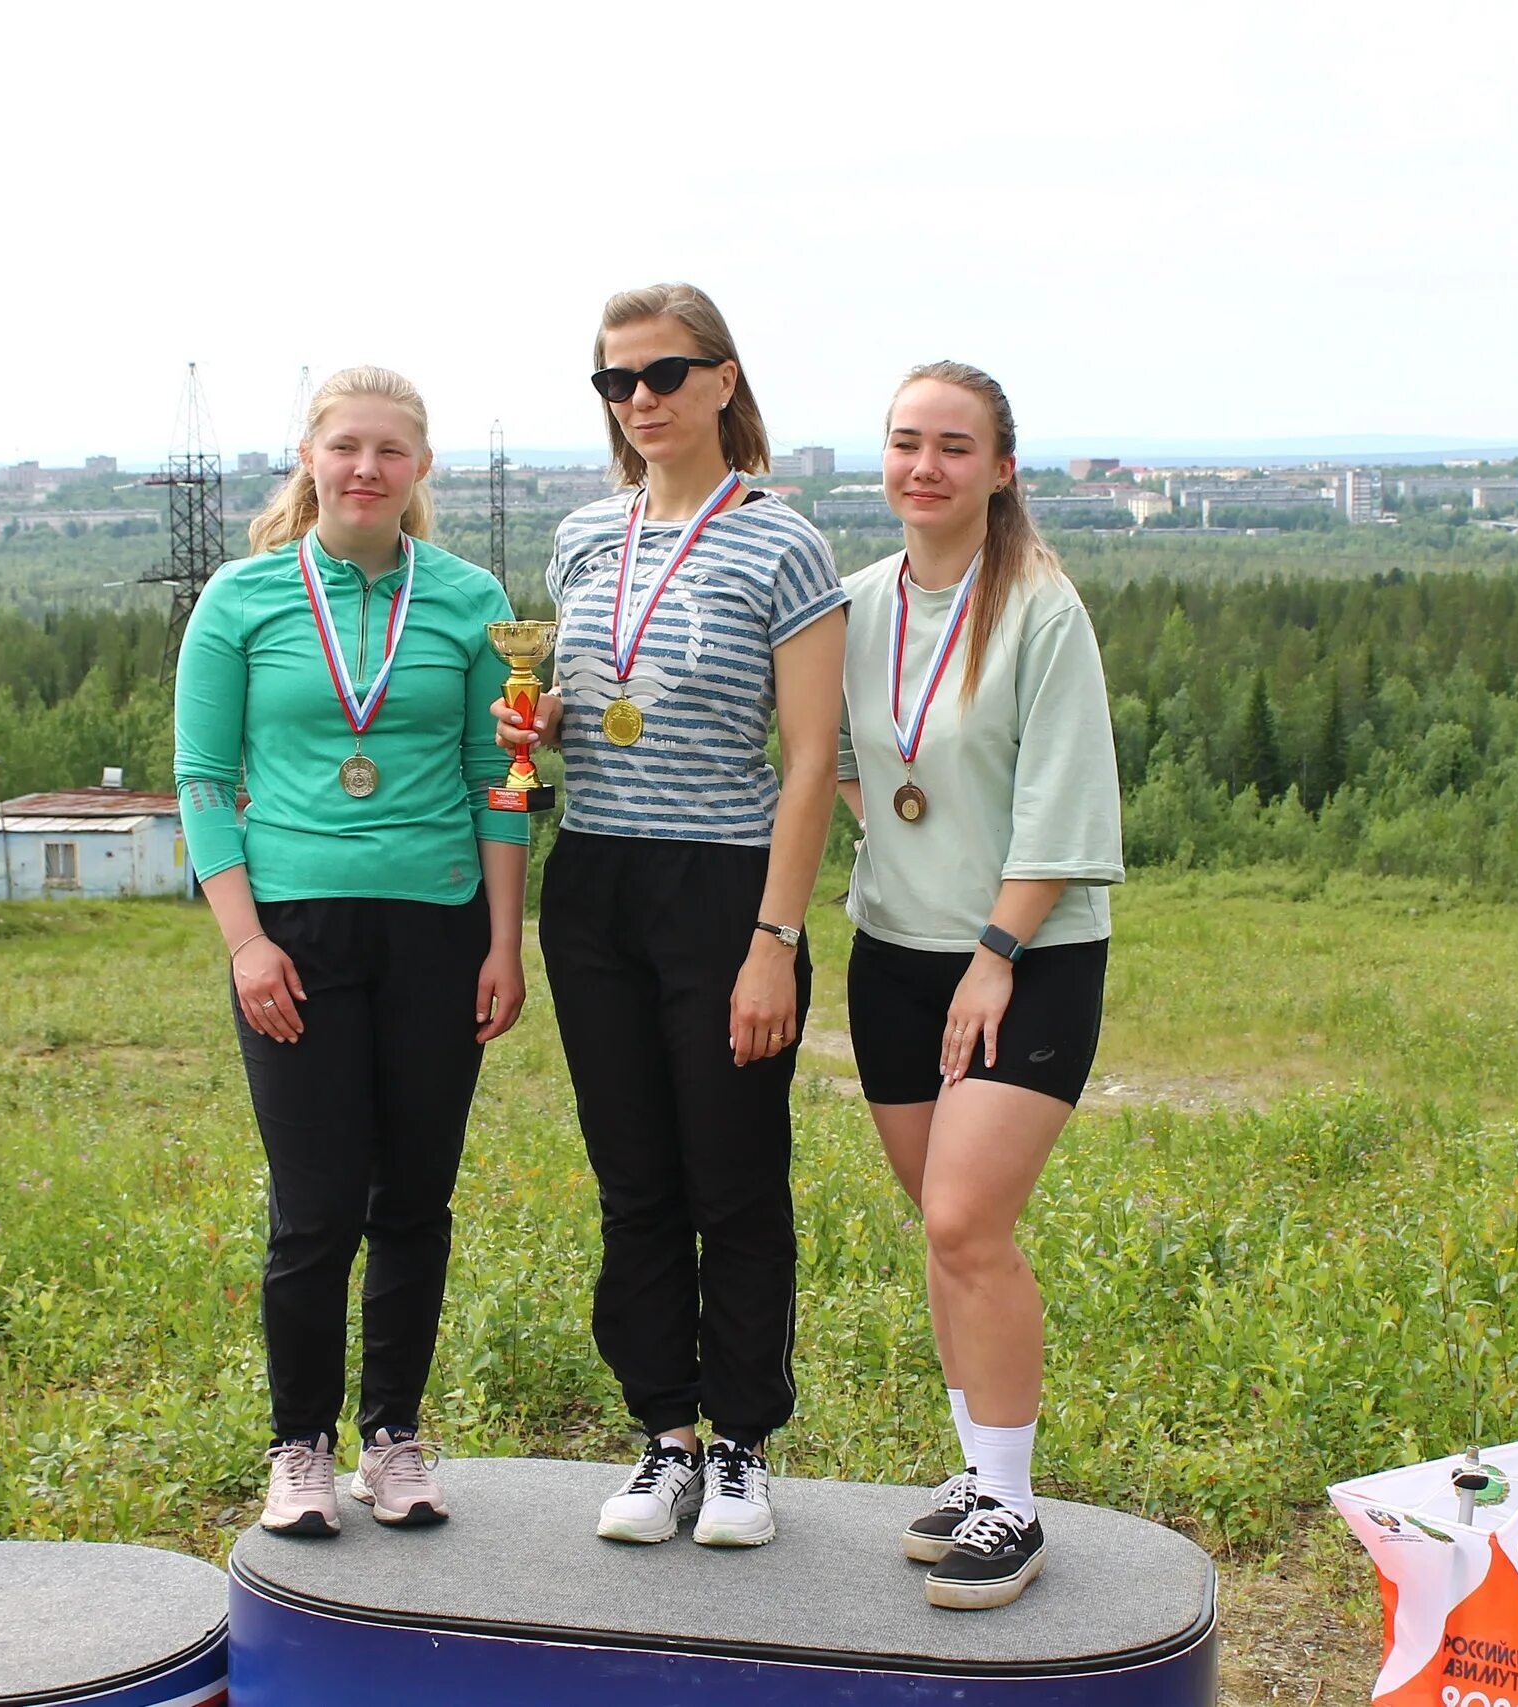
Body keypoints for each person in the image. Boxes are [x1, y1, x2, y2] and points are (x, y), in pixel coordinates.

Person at [498, 283, 845, 1547]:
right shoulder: (584, 538)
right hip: (593, 882)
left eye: (663, 374)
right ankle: (664, 1436)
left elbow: (809, 759)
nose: (639, 400)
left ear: (722, 381)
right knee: (633, 1177)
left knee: (734, 1178)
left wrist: (773, 942)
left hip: (723, 888)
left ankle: (744, 1445)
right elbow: (570, 718)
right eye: (615, 380)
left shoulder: (781, 542)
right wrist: (527, 732)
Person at [174, 366, 528, 1538]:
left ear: (418, 468)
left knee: (414, 1201)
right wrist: (245, 946)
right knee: (315, 1209)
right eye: (344, 448)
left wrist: (501, 941)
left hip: (434, 932)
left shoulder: (473, 602)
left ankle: (395, 1437)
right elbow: (203, 782)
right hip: (294, 937)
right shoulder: (242, 600)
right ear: (310, 460)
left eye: (388, 450)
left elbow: (501, 781)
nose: (365, 469)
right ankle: (301, 1447)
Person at [834, 362, 1123, 1609]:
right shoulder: (852, 604)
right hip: (891, 951)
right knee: (941, 1233)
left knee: (966, 1223)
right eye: (905, 443)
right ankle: (975, 1471)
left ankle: (1011, 1503)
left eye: (955, 447)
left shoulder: (1041, 610)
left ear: (1001, 469)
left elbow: (1063, 812)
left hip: (1025, 960)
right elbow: (821, 749)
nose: (925, 468)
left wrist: (993, 956)